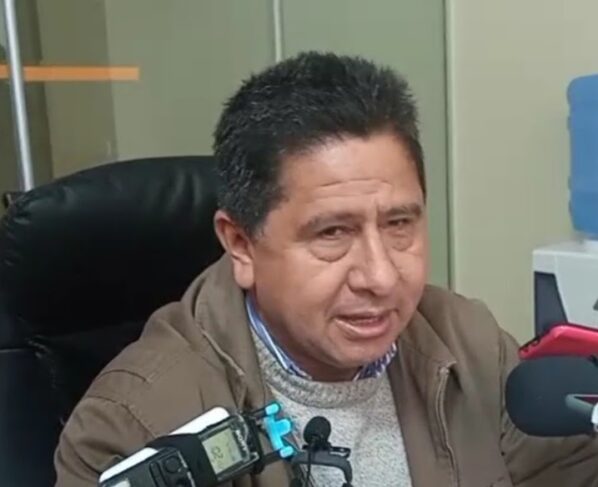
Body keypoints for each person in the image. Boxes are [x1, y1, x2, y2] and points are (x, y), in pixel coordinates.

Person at [54, 51, 598, 487]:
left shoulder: (473, 347)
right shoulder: (133, 424)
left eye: (399, 224)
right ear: (241, 245)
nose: (381, 277)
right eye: (332, 233)